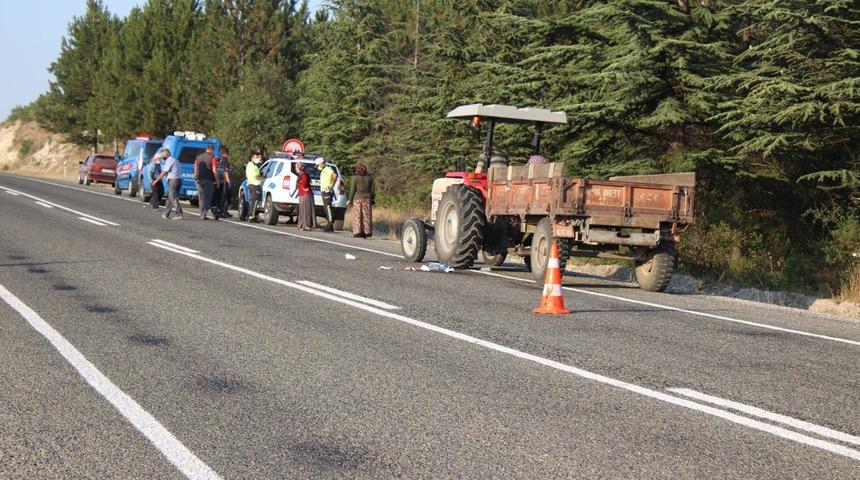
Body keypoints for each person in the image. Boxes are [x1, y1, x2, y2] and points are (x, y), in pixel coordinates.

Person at [152, 148, 183, 220]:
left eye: (163, 155)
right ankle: (166, 214)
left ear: (167, 154)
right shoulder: (176, 160)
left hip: (174, 181)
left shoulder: (170, 160)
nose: (163, 157)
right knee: (170, 198)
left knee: (173, 197)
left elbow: (164, 172)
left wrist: (156, 180)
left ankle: (179, 213)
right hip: (178, 180)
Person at [347, 163, 374, 238]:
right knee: (366, 216)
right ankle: (367, 232)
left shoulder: (355, 178)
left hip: (357, 199)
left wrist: (350, 199)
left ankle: (357, 232)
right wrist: (372, 198)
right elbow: (372, 190)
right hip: (367, 198)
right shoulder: (370, 178)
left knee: (357, 216)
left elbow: (352, 189)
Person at [194, 145, 218, 220]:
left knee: (201, 198)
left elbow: (195, 170)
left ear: (206, 149)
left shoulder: (198, 158)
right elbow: (214, 170)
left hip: (199, 180)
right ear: (212, 150)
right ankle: (204, 214)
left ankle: (201, 213)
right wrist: (217, 180)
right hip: (208, 180)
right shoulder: (213, 158)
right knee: (207, 197)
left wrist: (196, 178)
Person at [317, 157, 337, 232]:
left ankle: (330, 225)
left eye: (319, 164)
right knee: (326, 208)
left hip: (327, 191)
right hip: (324, 191)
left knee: (328, 207)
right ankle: (329, 223)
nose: (318, 166)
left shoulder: (328, 169)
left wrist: (332, 185)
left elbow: (335, 176)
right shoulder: (323, 170)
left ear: (322, 163)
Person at [296, 161, 316, 231]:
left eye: (297, 167)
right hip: (302, 194)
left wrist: (300, 184)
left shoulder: (304, 175)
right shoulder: (300, 174)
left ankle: (307, 225)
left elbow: (304, 183)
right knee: (302, 210)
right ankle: (301, 224)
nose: (296, 168)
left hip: (306, 194)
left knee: (306, 211)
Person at [245, 149, 264, 223]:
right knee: (255, 202)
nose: (258, 158)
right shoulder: (253, 166)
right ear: (252, 158)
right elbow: (256, 176)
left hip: (250, 184)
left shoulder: (249, 165)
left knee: (253, 201)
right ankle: (251, 216)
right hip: (255, 184)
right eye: (256, 157)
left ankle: (250, 215)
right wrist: (263, 178)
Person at [213, 146, 233, 218]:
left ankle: (217, 211)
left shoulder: (217, 160)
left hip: (216, 181)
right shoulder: (225, 161)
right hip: (223, 182)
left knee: (217, 197)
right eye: (228, 154)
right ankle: (222, 212)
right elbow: (226, 172)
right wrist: (229, 182)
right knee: (223, 197)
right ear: (225, 154)